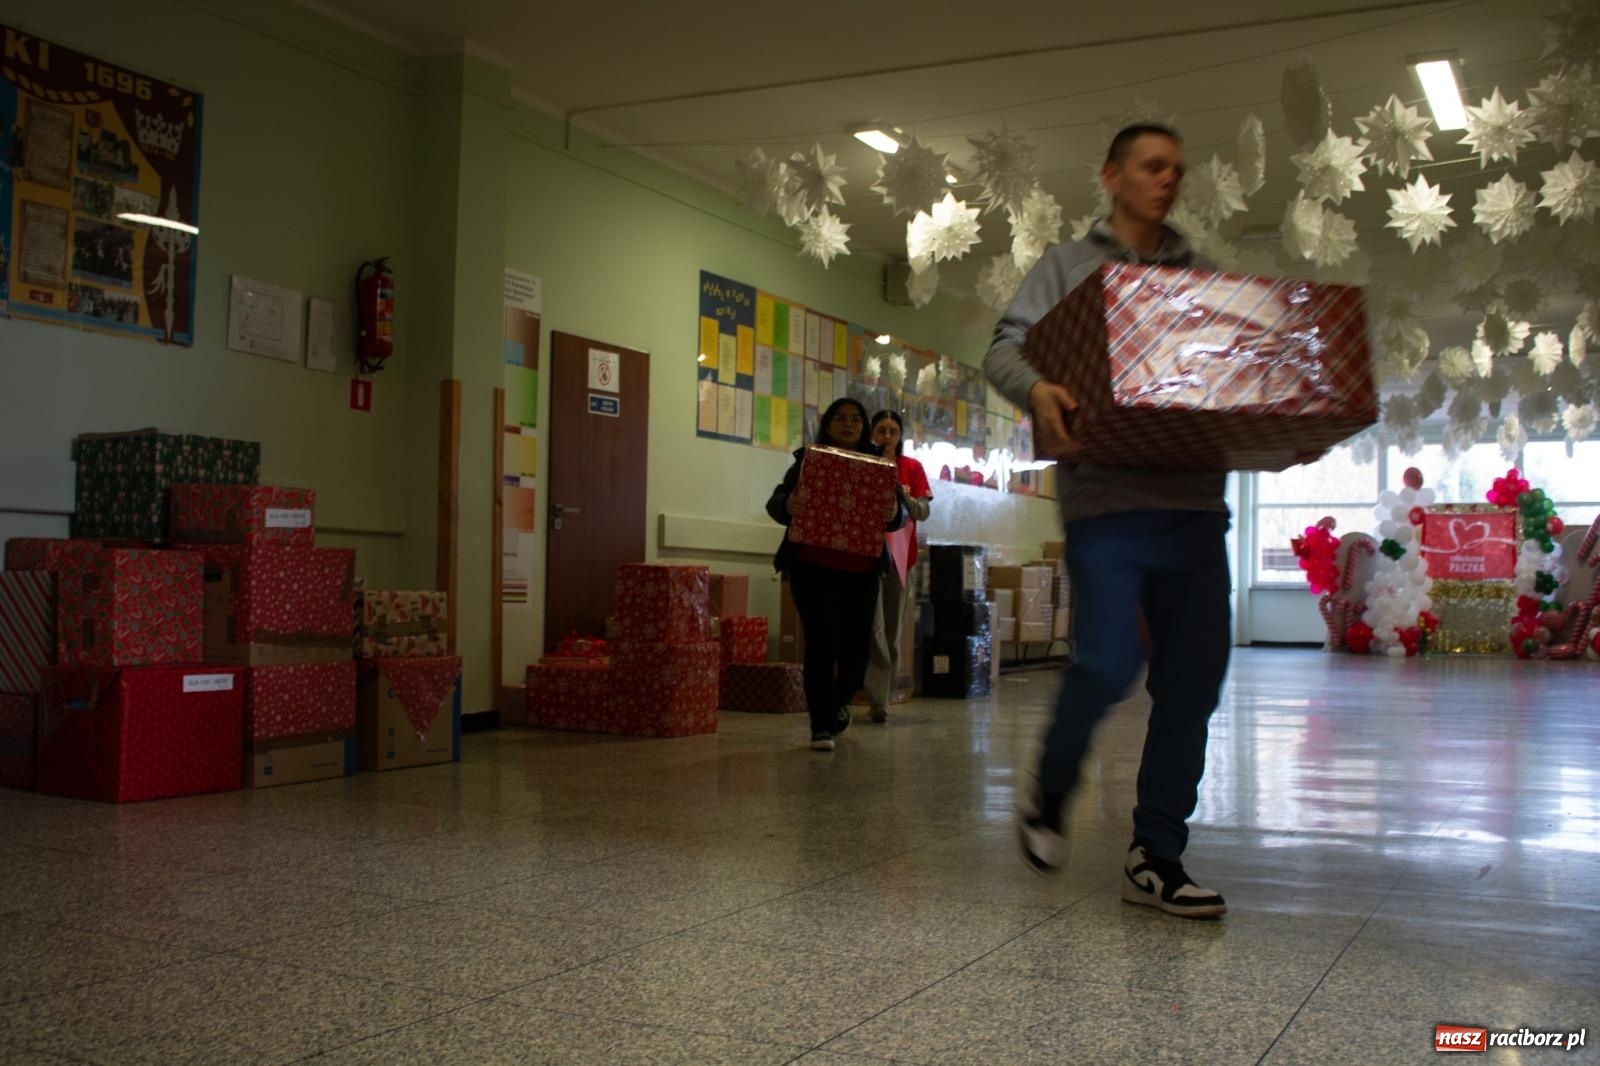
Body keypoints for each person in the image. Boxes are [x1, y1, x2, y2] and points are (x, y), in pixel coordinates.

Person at [983, 123, 1230, 918]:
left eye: (1177, 170)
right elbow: (1005, 348)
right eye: (1153, 167)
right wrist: (1038, 390)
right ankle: (1050, 791)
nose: (1169, 181)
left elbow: (1232, 369)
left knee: (1192, 682)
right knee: (1109, 661)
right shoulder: (1066, 266)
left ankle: (1157, 854)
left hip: (1193, 505)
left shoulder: (1202, 276)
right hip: (1106, 502)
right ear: (1113, 174)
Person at [767, 397, 907, 751]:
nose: (848, 425)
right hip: (811, 566)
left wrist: (892, 511)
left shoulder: (879, 465)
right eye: (840, 418)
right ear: (827, 424)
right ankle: (821, 726)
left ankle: (843, 699)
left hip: (860, 570)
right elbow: (776, 501)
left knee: (856, 649)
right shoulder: (807, 460)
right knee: (820, 643)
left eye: (855, 419)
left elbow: (899, 516)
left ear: (863, 427)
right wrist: (789, 504)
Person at [863, 410, 932, 722]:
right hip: (866, 556)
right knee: (872, 629)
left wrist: (903, 498)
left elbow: (924, 510)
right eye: (881, 430)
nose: (887, 437)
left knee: (891, 632)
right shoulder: (862, 465)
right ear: (872, 434)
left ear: (900, 436)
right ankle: (875, 697)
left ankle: (884, 697)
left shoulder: (912, 468)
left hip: (902, 559)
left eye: (892, 431)